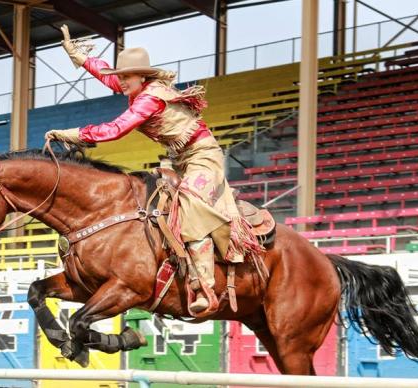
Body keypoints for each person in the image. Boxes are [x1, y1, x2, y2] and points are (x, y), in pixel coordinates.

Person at [45, 25, 262, 314]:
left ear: (142, 76)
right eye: (119, 76)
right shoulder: (137, 89)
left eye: (125, 77)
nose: (119, 82)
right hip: (182, 158)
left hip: (202, 157)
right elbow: (106, 75)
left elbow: (116, 129)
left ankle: (204, 285)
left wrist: (70, 134)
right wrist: (82, 59)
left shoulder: (149, 98)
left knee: (189, 205)